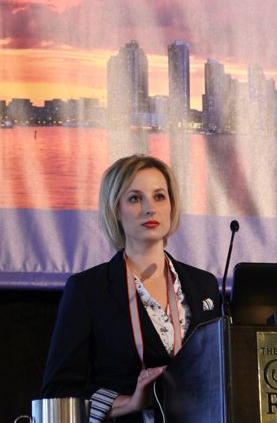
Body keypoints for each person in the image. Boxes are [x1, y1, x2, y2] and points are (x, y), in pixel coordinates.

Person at [41, 154, 221, 422]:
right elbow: (57, 395)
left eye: (159, 196)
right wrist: (129, 403)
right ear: (115, 210)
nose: (150, 209)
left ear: (171, 205)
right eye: (135, 198)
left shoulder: (204, 284)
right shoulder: (88, 290)